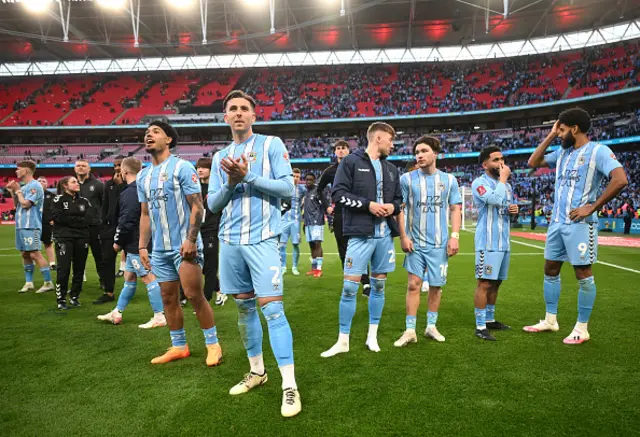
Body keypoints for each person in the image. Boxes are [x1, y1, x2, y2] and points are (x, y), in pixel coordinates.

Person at [207, 90, 301, 418]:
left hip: (263, 239)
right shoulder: (220, 156)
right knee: (245, 309)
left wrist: (248, 176)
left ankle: (289, 386)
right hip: (230, 241)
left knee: (273, 311)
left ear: (253, 116)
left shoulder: (271, 145)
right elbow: (212, 205)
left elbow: (288, 188)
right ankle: (257, 372)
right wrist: (232, 183)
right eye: (232, 108)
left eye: (244, 109)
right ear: (225, 117)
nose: (238, 113)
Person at [524, 108, 628, 344]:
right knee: (550, 269)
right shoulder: (562, 153)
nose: (558, 134)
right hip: (557, 223)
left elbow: (620, 179)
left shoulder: (598, 151)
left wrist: (591, 207)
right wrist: (550, 135)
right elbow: (533, 161)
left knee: (583, 273)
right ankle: (550, 320)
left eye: (561, 130)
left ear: (574, 129)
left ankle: (582, 328)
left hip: (580, 224)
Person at [137, 121, 222, 365]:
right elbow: (145, 214)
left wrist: (191, 239)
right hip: (160, 249)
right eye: (146, 133)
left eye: (155, 132)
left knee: (195, 295)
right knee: (168, 299)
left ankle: (213, 344)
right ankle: (179, 346)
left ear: (169, 140)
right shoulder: (143, 175)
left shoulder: (182, 168)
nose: (148, 135)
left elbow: (197, 205)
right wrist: (143, 246)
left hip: (184, 246)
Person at [321, 122, 402, 357]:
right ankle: (343, 340)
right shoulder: (350, 162)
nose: (392, 145)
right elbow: (338, 194)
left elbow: (399, 201)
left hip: (384, 236)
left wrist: (391, 206)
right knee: (349, 288)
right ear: (378, 138)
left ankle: (372, 336)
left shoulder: (391, 170)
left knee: (378, 286)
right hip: (359, 235)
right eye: (390, 140)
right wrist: (369, 205)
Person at [394, 136, 462, 347]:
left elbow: (455, 208)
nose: (419, 155)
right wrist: (403, 236)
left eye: (424, 151)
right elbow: (401, 209)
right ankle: (410, 330)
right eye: (416, 152)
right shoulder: (407, 179)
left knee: (435, 286)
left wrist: (454, 236)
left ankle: (431, 326)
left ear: (435, 153)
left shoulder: (450, 180)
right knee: (413, 284)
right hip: (415, 243)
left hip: (439, 244)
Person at [97, 157, 166, 328]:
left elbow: (127, 220)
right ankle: (117, 312)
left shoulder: (130, 192)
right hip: (140, 240)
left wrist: (117, 241)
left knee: (148, 278)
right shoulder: (142, 188)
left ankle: (159, 316)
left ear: (124, 171)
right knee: (129, 277)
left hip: (136, 242)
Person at [471, 146, 519, 341]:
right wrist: (503, 179)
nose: (501, 163)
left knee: (497, 283)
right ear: (485, 164)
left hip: (503, 241)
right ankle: (480, 326)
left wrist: (513, 210)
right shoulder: (479, 183)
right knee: (484, 282)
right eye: (495, 159)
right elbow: (493, 200)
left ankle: (490, 319)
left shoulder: (506, 186)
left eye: (502, 159)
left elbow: (504, 206)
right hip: (487, 241)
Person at [317, 140, 371, 295]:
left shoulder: (357, 168)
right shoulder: (330, 171)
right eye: (338, 149)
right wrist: (327, 205)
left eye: (343, 148)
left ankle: (365, 281)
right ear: (335, 152)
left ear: (349, 151)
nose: (341, 151)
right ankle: (349, 279)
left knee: (360, 246)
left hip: (356, 211)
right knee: (343, 248)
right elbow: (319, 189)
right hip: (340, 213)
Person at [6, 161, 54, 294]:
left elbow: (26, 204)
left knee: (34, 253)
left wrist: (18, 191)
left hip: (31, 224)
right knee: (25, 254)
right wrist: (12, 192)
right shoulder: (25, 186)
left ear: (26, 170)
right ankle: (29, 283)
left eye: (18, 169)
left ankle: (48, 282)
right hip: (21, 224)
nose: (16, 171)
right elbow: (18, 205)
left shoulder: (35, 186)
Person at [52, 176, 91, 310]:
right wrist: (77, 219)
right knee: (64, 269)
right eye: (73, 182)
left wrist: (70, 219)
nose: (77, 183)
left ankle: (74, 296)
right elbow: (58, 217)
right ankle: (61, 299)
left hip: (82, 237)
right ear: (65, 185)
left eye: (77, 181)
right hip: (63, 237)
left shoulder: (84, 201)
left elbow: (89, 219)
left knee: (79, 269)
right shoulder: (57, 199)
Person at [94, 156, 125, 305]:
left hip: (129, 226)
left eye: (120, 165)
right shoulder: (109, 184)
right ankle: (109, 292)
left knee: (145, 259)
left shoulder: (135, 184)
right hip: (110, 227)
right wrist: (104, 225)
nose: (117, 168)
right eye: (115, 165)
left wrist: (120, 186)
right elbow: (105, 205)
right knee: (107, 259)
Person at [196, 157, 225, 306]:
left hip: (212, 231)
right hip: (196, 231)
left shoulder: (217, 189)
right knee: (202, 266)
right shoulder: (195, 189)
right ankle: (220, 290)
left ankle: (205, 299)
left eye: (204, 167)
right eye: (198, 167)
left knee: (210, 265)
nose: (200, 169)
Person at [74, 159, 105, 289]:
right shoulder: (70, 184)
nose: (80, 168)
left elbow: (104, 204)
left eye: (83, 166)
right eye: (78, 166)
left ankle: (104, 281)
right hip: (77, 227)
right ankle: (77, 284)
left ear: (89, 169)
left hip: (95, 226)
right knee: (78, 257)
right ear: (75, 168)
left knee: (99, 256)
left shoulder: (98, 185)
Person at [279, 168, 305, 276]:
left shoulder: (302, 189)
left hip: (295, 221)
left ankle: (294, 267)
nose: (296, 178)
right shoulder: (284, 188)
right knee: (282, 245)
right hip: (284, 220)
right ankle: (283, 266)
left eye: (298, 177)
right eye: (294, 176)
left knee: (295, 245)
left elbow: (305, 200)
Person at [302, 173, 326, 277]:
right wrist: (304, 223)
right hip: (308, 222)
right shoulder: (306, 192)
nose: (308, 182)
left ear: (314, 180)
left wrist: (328, 220)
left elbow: (325, 204)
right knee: (311, 245)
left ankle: (319, 269)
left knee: (317, 244)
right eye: (307, 180)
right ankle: (313, 268)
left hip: (317, 222)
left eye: (310, 180)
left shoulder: (318, 191)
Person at [37, 177, 56, 270]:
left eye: (43, 181)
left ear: (47, 184)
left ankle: (52, 264)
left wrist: (53, 219)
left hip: (46, 223)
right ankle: (37, 263)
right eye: (39, 181)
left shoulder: (51, 195)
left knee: (48, 243)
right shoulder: (30, 194)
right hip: (33, 223)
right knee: (33, 245)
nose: (41, 182)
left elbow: (56, 209)